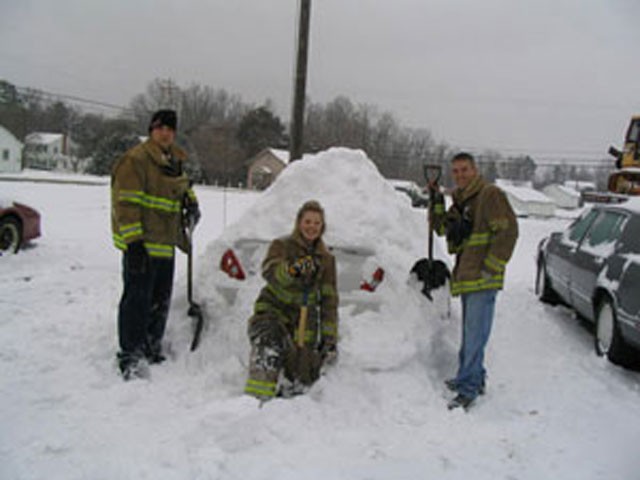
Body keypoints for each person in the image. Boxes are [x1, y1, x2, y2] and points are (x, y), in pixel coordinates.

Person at [111, 109, 200, 380]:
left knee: (159, 299)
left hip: (165, 242)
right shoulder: (136, 160)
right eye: (161, 128)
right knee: (137, 299)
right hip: (142, 244)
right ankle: (131, 354)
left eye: (171, 129)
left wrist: (191, 201)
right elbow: (125, 204)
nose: (166, 133)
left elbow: (181, 187)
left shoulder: (173, 160)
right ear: (152, 129)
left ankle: (151, 345)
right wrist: (134, 243)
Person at [430, 152, 518, 410]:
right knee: (471, 334)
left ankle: (468, 389)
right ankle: (471, 379)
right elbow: (443, 228)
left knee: (475, 335)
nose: (460, 175)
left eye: (464, 170)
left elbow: (509, 232)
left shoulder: (490, 195)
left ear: (475, 170)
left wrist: (490, 269)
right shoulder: (461, 200)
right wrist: (436, 200)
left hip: (482, 278)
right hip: (469, 276)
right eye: (455, 171)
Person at [244, 200, 339, 401]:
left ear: (322, 227)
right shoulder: (282, 246)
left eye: (317, 223)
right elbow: (269, 273)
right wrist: (292, 270)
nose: (311, 227)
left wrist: (329, 337)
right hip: (273, 312)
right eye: (307, 221)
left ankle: (290, 401)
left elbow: (329, 301)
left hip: (305, 318)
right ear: (298, 222)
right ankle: (255, 399)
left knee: (305, 370)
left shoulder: (326, 259)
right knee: (269, 343)